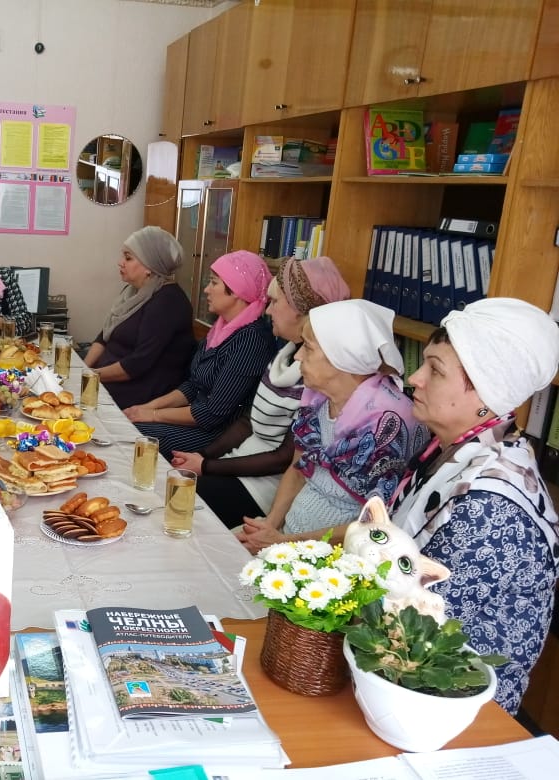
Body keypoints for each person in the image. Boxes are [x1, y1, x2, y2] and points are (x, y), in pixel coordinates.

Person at [388, 298, 559, 715]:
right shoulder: (449, 452)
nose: (415, 378)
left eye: (435, 370)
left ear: (487, 392)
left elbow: (416, 625)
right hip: (401, 674)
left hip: (455, 706)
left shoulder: (492, 506)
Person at [171, 257, 350, 528]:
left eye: (275, 302)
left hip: (265, 486)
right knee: (173, 484)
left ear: (301, 311)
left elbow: (283, 458)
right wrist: (203, 456)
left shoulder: (317, 376)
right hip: (238, 463)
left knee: (179, 499)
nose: (268, 310)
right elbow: (247, 421)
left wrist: (207, 466)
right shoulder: (284, 354)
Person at [237, 299, 428, 554]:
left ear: (342, 357)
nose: (298, 356)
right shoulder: (317, 399)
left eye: (308, 347)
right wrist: (270, 527)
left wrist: (283, 543)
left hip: (337, 559)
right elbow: (298, 469)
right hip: (289, 538)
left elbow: (374, 526)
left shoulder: (388, 423)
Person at [124, 250, 277, 458]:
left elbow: (212, 414)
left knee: (131, 435)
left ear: (237, 290)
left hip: (217, 435)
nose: (206, 289)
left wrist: (153, 415)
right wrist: (146, 408)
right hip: (196, 420)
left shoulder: (252, 340)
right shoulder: (222, 329)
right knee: (127, 421)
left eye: (214, 283)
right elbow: (193, 385)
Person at [83, 226, 194, 408]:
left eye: (128, 258)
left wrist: (89, 376)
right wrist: (83, 368)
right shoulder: (133, 291)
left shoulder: (167, 302)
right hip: (105, 378)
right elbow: (105, 335)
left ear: (150, 266)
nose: (120, 263)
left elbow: (137, 364)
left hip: (137, 392)